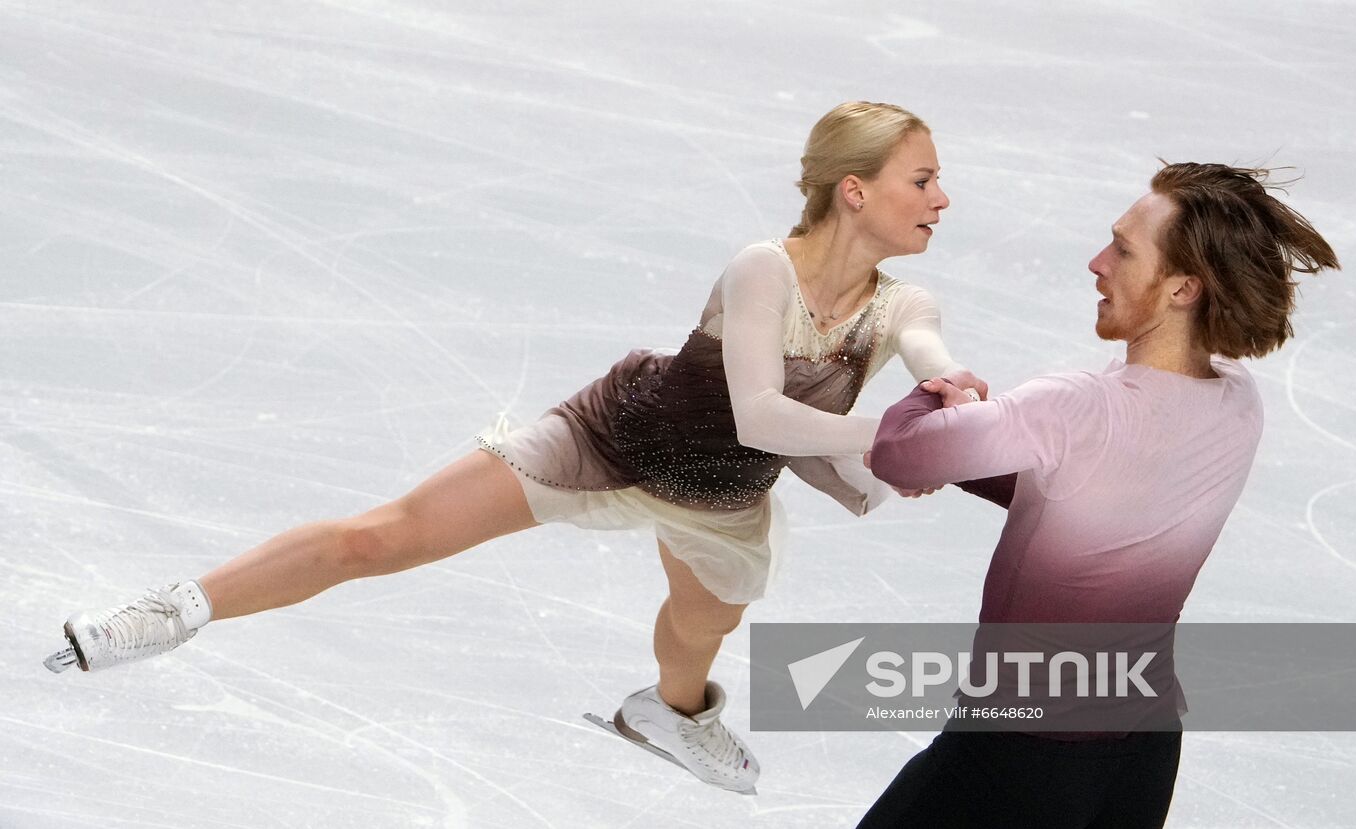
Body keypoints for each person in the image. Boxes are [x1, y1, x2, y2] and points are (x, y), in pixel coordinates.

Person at [43, 101, 987, 795]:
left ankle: (670, 712)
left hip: (721, 499)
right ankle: (179, 608)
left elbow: (931, 360)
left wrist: (947, 400)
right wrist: (893, 433)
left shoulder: (904, 307)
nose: (942, 197)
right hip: (608, 442)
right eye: (924, 177)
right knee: (387, 535)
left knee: (702, 634)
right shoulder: (762, 269)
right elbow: (760, 413)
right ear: (854, 190)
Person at [857, 163, 1338, 827]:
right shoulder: (1236, 404)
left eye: (1123, 249)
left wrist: (940, 391)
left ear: (1182, 288)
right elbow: (1097, 498)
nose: (1097, 262)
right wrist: (982, 447)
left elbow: (898, 453)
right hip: (1140, 755)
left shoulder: (1075, 409)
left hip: (1018, 758)